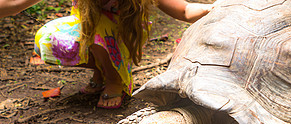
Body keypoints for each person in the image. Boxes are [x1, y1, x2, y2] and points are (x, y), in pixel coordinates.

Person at [34, 0, 213, 109]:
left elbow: (185, 10)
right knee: (46, 39)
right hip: (91, 33)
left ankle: (114, 80)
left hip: (122, 39)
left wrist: (213, 7)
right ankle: (102, 70)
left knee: (98, 29)